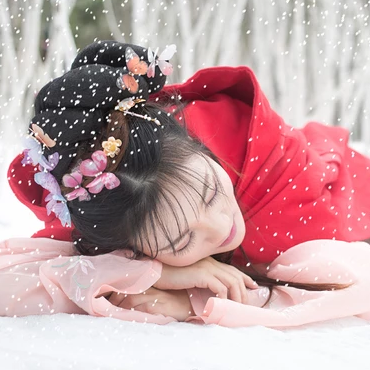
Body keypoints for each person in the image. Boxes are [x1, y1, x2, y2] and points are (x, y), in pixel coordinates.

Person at [2, 40, 370, 327]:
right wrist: (159, 274)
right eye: (183, 240)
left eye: (210, 193)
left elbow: (345, 289)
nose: (220, 226)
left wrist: (190, 303)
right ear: (131, 246)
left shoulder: (290, 205)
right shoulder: (106, 190)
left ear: (198, 145)